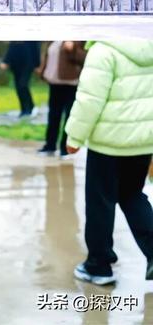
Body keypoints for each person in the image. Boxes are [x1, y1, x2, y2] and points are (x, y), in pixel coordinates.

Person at [65, 39, 153, 286]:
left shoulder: (103, 50)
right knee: (133, 195)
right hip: (143, 141)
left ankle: (99, 265)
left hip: (108, 143)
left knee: (99, 202)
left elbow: (89, 100)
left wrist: (74, 136)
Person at [37, 41, 86, 157]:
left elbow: (85, 58)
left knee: (69, 115)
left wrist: (73, 48)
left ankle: (65, 148)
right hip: (54, 83)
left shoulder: (78, 39)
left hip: (71, 83)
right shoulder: (53, 39)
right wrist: (42, 71)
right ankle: (50, 145)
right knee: (53, 115)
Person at [0, 41, 42, 116]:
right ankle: (26, 108)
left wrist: (37, 65)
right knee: (18, 87)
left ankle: (27, 110)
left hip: (28, 62)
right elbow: (11, 48)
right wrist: (5, 61)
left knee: (23, 85)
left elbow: (35, 48)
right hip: (15, 63)